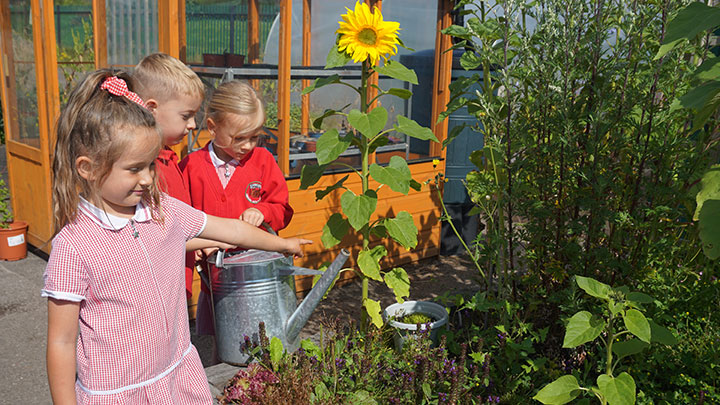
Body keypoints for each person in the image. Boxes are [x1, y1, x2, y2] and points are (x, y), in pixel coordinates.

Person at [43, 70, 310, 404]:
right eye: (134, 168)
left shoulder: (161, 209)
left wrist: (282, 244)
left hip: (176, 376)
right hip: (118, 393)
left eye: (151, 165)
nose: (147, 178)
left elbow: (232, 229)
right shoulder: (74, 244)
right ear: (88, 167)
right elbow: (62, 342)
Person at [180, 80, 294, 340]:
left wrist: (264, 211)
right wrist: (196, 245)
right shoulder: (191, 166)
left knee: (263, 340)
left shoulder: (263, 161)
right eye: (239, 138)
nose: (248, 146)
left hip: (257, 277)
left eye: (255, 137)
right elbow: (182, 218)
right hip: (213, 281)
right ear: (212, 127)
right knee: (218, 340)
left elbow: (283, 209)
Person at [132, 52, 206, 301]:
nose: (193, 124)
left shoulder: (168, 158)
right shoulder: (148, 169)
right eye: (186, 116)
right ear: (152, 109)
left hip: (175, 286)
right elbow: (155, 239)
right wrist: (203, 241)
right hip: (157, 293)